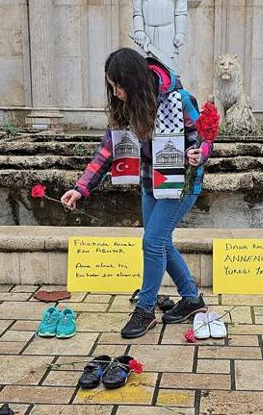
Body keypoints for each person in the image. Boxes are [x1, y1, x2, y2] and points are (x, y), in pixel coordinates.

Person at [61, 48, 213, 338]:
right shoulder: (127, 106)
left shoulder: (179, 100)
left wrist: (199, 153)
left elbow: (206, 137)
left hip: (180, 182)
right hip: (149, 182)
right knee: (160, 241)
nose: (116, 93)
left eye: (119, 86)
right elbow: (108, 149)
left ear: (135, 82)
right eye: (112, 86)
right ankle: (192, 300)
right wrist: (81, 187)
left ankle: (145, 310)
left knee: (153, 241)